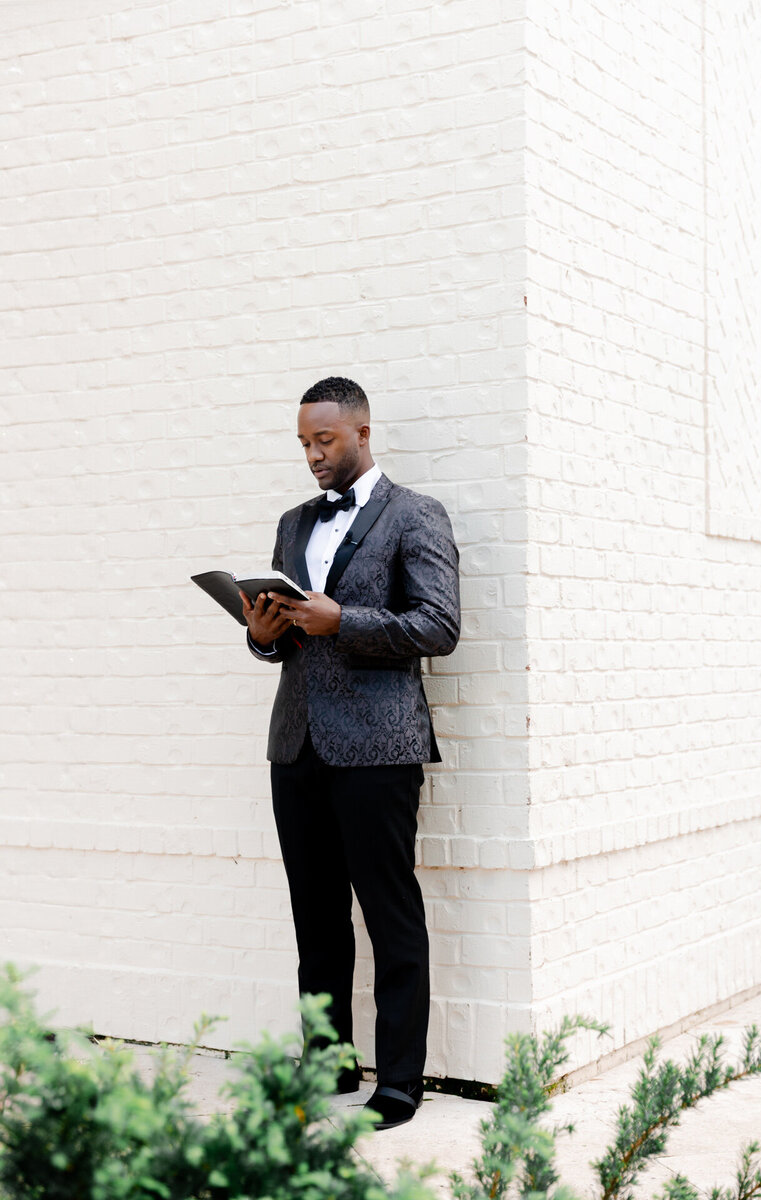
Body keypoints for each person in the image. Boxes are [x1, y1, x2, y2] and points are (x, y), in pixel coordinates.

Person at [240, 377, 460, 1130]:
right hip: (296, 742)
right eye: (304, 443)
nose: (312, 456)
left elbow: (437, 626)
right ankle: (328, 1060)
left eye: (324, 440)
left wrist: (347, 621)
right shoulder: (292, 522)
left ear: (362, 433)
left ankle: (400, 1080)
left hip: (379, 747)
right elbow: (286, 640)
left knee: (390, 913)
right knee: (316, 915)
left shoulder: (416, 516)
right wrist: (263, 636)